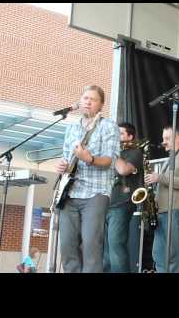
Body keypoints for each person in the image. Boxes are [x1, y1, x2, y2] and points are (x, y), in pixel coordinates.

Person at [55, 85, 120, 273]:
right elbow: (66, 159)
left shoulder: (108, 126)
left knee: (91, 243)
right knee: (67, 245)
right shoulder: (71, 128)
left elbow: (110, 160)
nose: (88, 102)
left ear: (101, 105)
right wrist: (62, 166)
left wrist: (89, 159)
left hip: (96, 192)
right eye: (85, 98)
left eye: (93, 99)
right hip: (70, 191)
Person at [145, 125, 179, 273]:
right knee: (159, 254)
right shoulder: (170, 159)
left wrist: (159, 177)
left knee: (173, 256)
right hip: (163, 212)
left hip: (176, 211)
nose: (164, 142)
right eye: (163, 138)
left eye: (167, 138)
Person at [103, 122, 143, 273]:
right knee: (105, 251)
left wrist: (112, 151)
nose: (116, 137)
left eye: (120, 134)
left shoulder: (135, 153)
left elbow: (123, 169)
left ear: (130, 137)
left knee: (116, 246)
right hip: (105, 203)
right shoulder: (114, 153)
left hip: (121, 203)